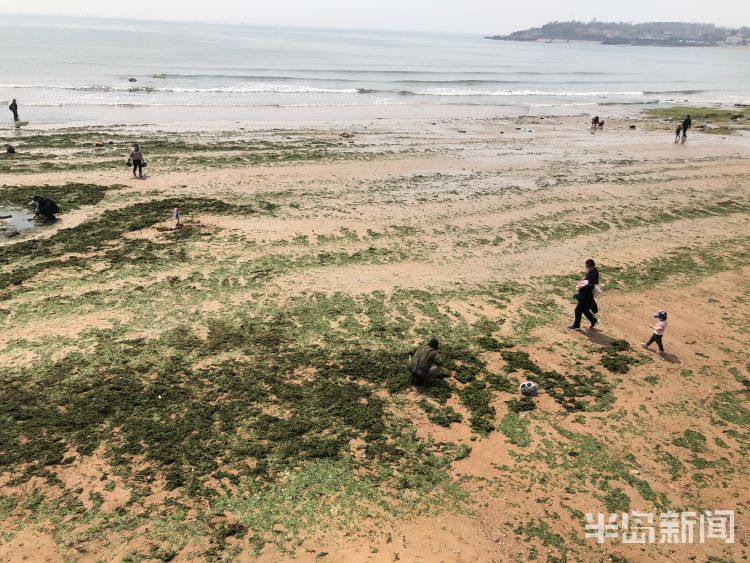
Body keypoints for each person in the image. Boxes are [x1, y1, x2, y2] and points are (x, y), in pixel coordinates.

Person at [568, 258, 600, 331]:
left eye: (587, 267)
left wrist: (582, 286)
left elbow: (590, 285)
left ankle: (576, 325)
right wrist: (581, 283)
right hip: (586, 295)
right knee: (584, 309)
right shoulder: (592, 272)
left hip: (586, 296)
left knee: (578, 309)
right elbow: (587, 281)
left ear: (591, 266)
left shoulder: (594, 274)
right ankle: (594, 320)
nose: (586, 268)